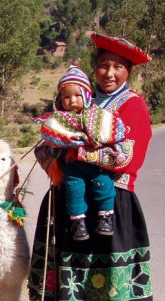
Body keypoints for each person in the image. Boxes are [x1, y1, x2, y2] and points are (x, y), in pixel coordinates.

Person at [28, 32, 153, 301]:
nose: (109, 73)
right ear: (93, 69)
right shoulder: (77, 99)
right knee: (72, 279)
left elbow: (129, 158)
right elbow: (45, 149)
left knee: (105, 285)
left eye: (117, 67)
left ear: (128, 72)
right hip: (71, 205)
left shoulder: (132, 105)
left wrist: (83, 156)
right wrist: (56, 152)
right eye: (102, 66)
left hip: (112, 204)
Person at [34, 63, 128, 240]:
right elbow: (52, 138)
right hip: (72, 165)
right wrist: (62, 142)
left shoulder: (99, 115)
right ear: (60, 99)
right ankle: (78, 223)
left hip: (96, 165)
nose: (73, 100)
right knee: (74, 189)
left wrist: (99, 139)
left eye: (78, 95)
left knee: (104, 184)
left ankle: (105, 218)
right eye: (66, 97)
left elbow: (111, 131)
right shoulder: (57, 120)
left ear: (86, 96)